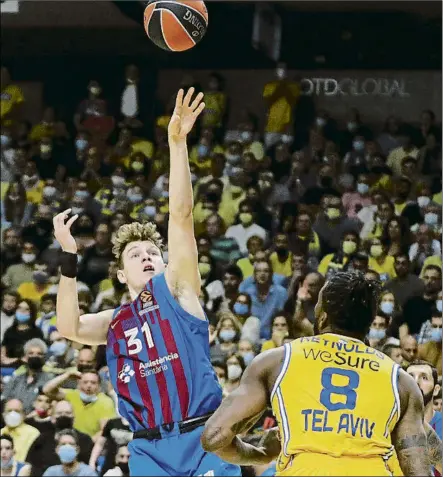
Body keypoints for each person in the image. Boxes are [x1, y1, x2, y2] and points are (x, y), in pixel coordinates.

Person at [53, 88, 240, 477]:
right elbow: (68, 326)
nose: (147, 258)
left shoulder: (179, 291)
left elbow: (182, 217)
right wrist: (69, 257)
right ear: (121, 274)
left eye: (153, 253)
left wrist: (177, 142)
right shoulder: (116, 322)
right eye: (136, 255)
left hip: (204, 436)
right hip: (148, 448)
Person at [202, 271, 433, 476]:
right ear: (370, 322)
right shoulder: (400, 380)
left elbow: (214, 437)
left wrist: (261, 454)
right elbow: (418, 468)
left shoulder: (277, 361)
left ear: (322, 316)